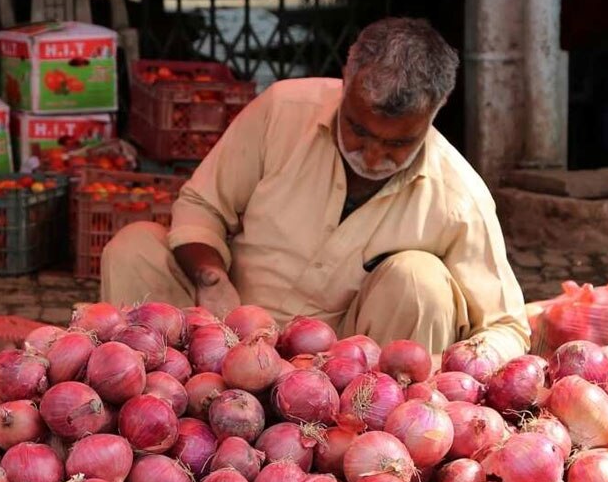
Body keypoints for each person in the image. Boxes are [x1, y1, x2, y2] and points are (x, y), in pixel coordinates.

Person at [100, 18, 530, 360]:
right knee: (134, 246)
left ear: (434, 115)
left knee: (422, 280)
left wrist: (469, 363)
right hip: (223, 331)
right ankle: (144, 398)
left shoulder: (459, 195)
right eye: (359, 130)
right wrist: (211, 280)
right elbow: (201, 206)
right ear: (345, 80)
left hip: (346, 377)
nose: (374, 155)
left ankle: (381, 447)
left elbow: (507, 326)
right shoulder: (283, 109)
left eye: (398, 143)